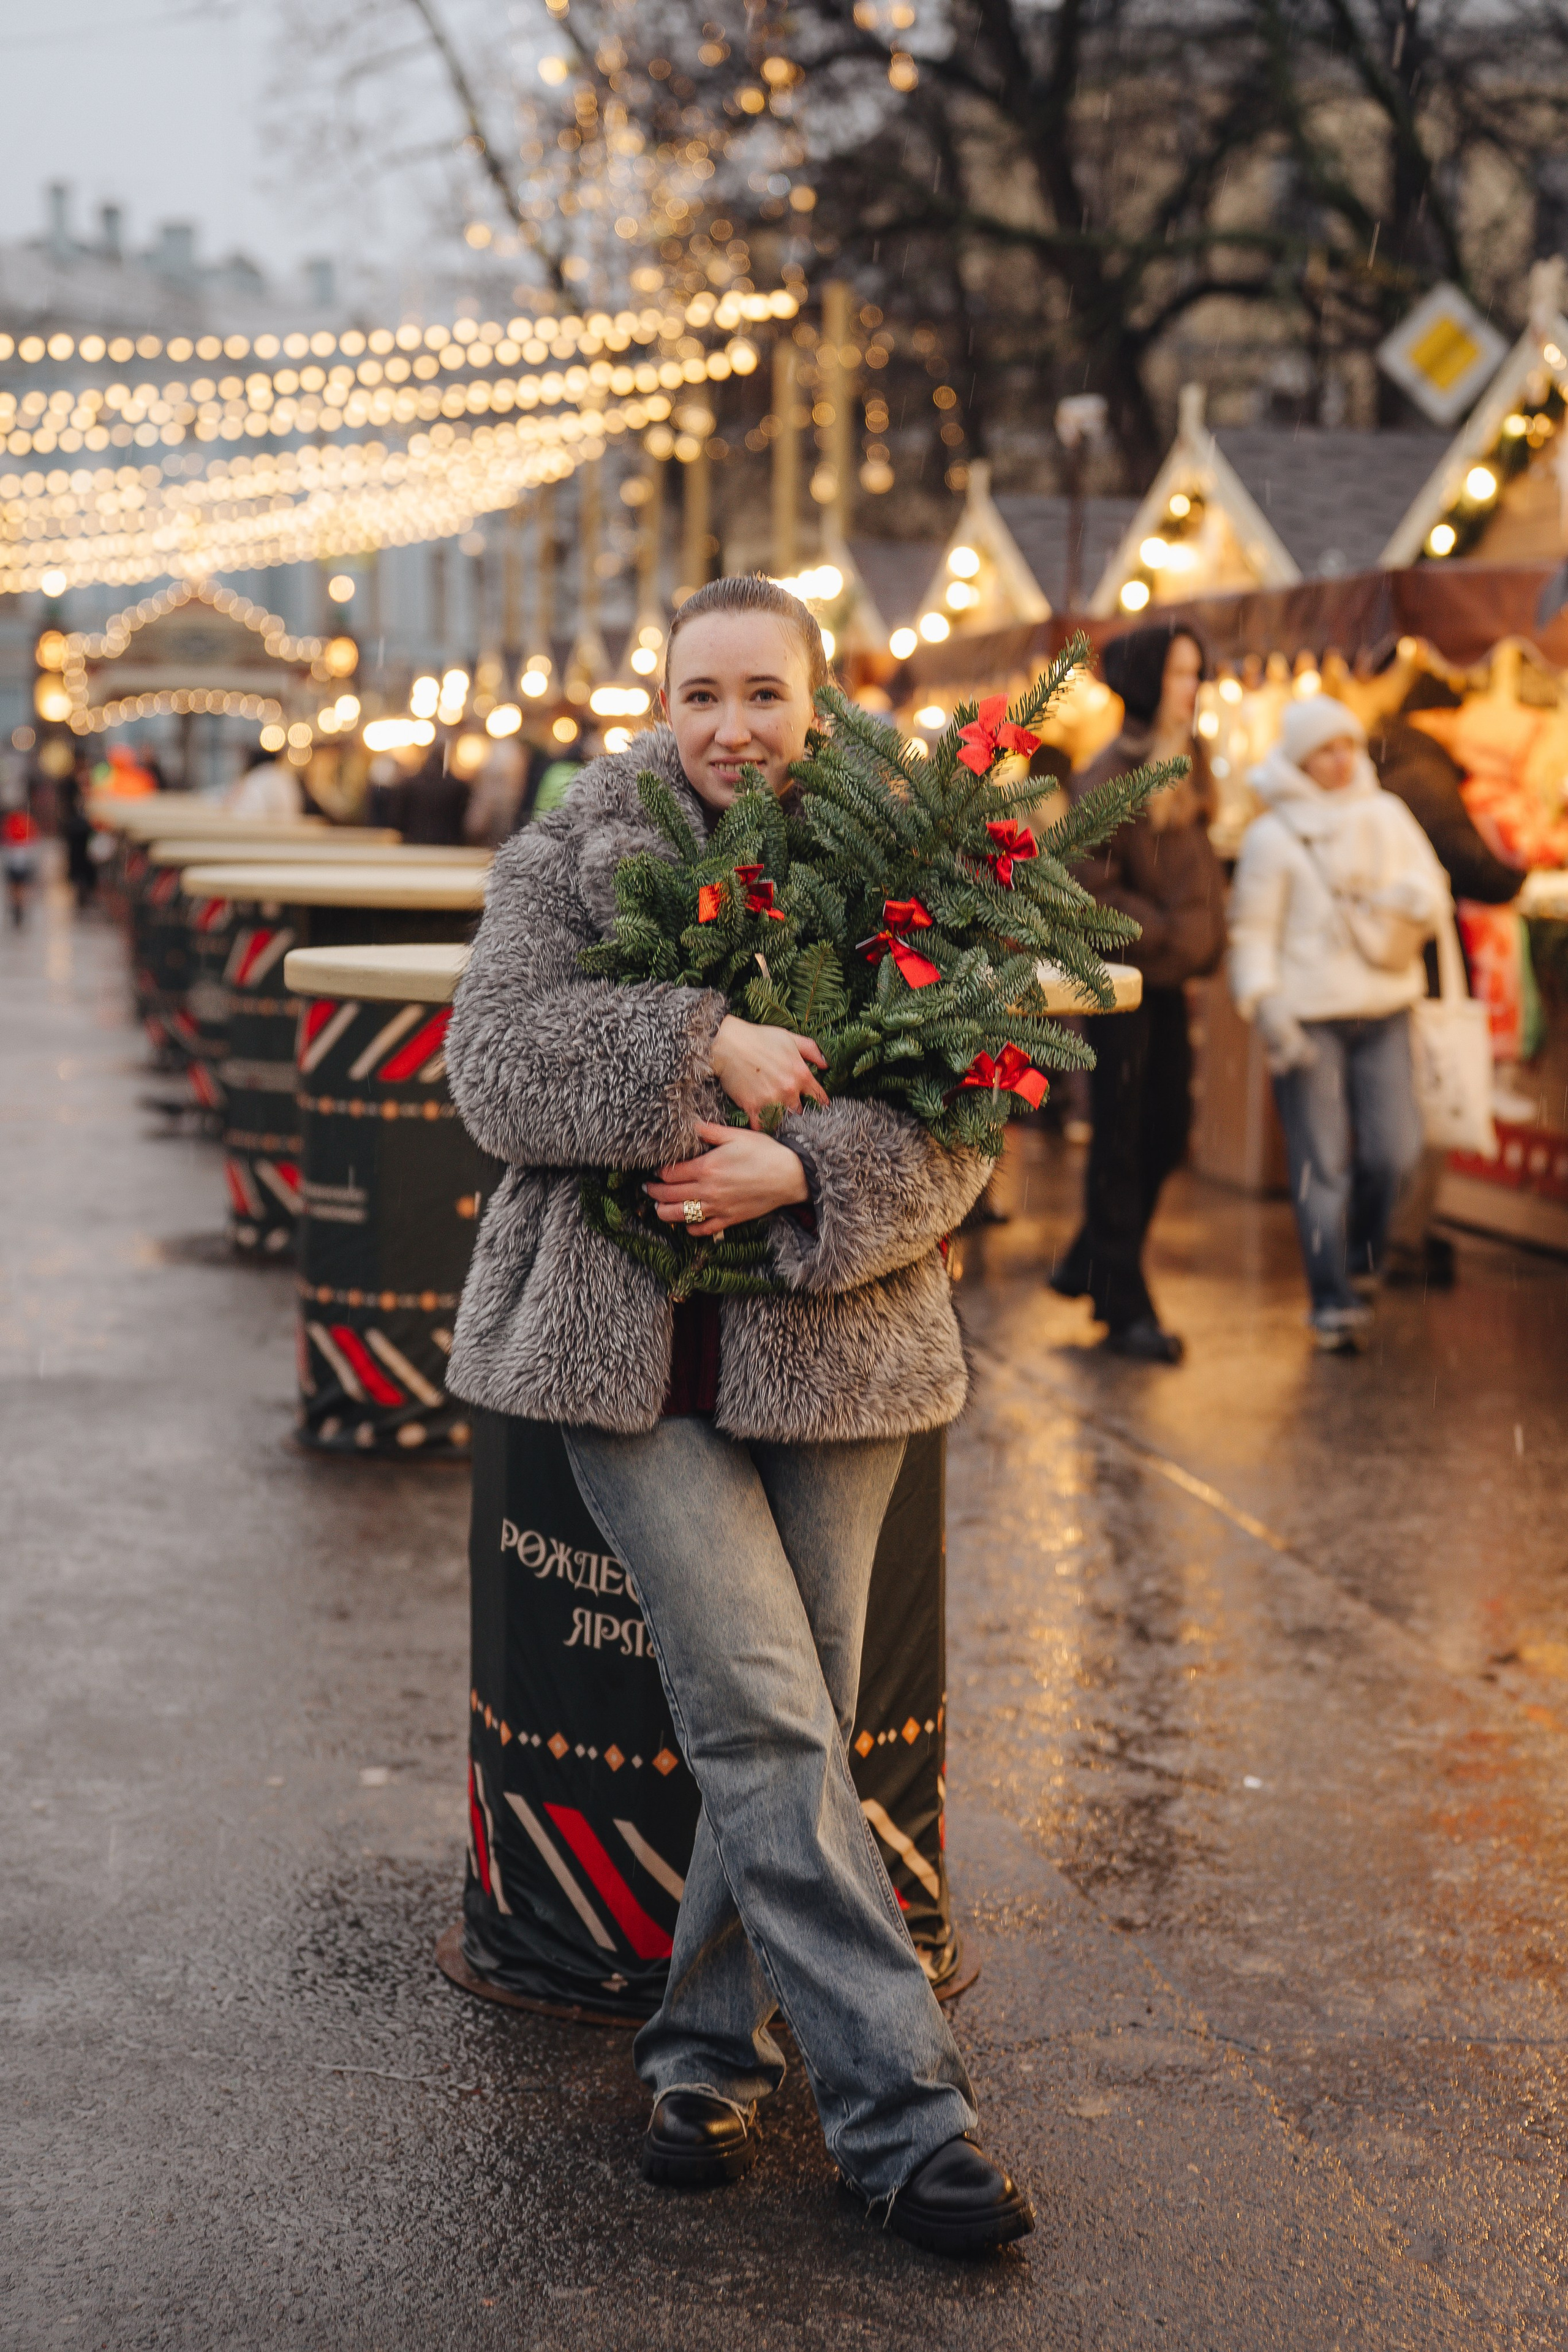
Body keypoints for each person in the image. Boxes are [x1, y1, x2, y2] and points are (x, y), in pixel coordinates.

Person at [444, 575, 1033, 2257]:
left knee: (786, 1726)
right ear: (662, 703)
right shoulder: (568, 855)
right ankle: (906, 2120)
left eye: (764, 693)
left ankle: (705, 2055)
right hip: (621, 1367)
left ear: (820, 702)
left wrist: (808, 1166)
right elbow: (495, 1069)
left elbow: (966, 1115)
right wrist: (705, 1044)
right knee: (769, 1717)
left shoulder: (903, 859)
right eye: (702, 694)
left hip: (835, 1353)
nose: (732, 729)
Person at [1229, 696, 1453, 1352]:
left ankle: (1362, 1254)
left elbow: (1433, 888)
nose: (1340, 759)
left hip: (1385, 1007)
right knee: (1320, 1162)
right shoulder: (1272, 835)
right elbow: (1253, 931)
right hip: (1309, 1017)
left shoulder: (1386, 814)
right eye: (1325, 748)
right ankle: (1330, 1298)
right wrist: (1268, 1008)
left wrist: (1400, 901)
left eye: (1347, 746)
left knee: (1396, 1150)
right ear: (1300, 756)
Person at [1049, 623, 1226, 1362]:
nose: (1193, 688)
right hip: (1122, 987)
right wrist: (1165, 935)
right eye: (1181, 674)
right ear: (1152, 682)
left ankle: (1092, 1256)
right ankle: (1122, 1300)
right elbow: (1091, 889)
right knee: (1122, 1137)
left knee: (1165, 1127)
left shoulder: (1189, 764)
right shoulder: (1108, 777)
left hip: (1168, 984)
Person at [1368, 685, 1525, 1287]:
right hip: (1422, 964)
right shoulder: (1426, 775)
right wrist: (1519, 878)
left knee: (1398, 1098)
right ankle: (1399, 1239)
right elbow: (1468, 862)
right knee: (1427, 1098)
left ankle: (1383, 1234)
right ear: (1435, 714)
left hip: (1390, 963)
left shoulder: (1384, 762)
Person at [226, 744, 303, 821]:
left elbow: (245, 815)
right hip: (288, 828)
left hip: (263, 830)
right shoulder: (286, 777)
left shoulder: (257, 779)